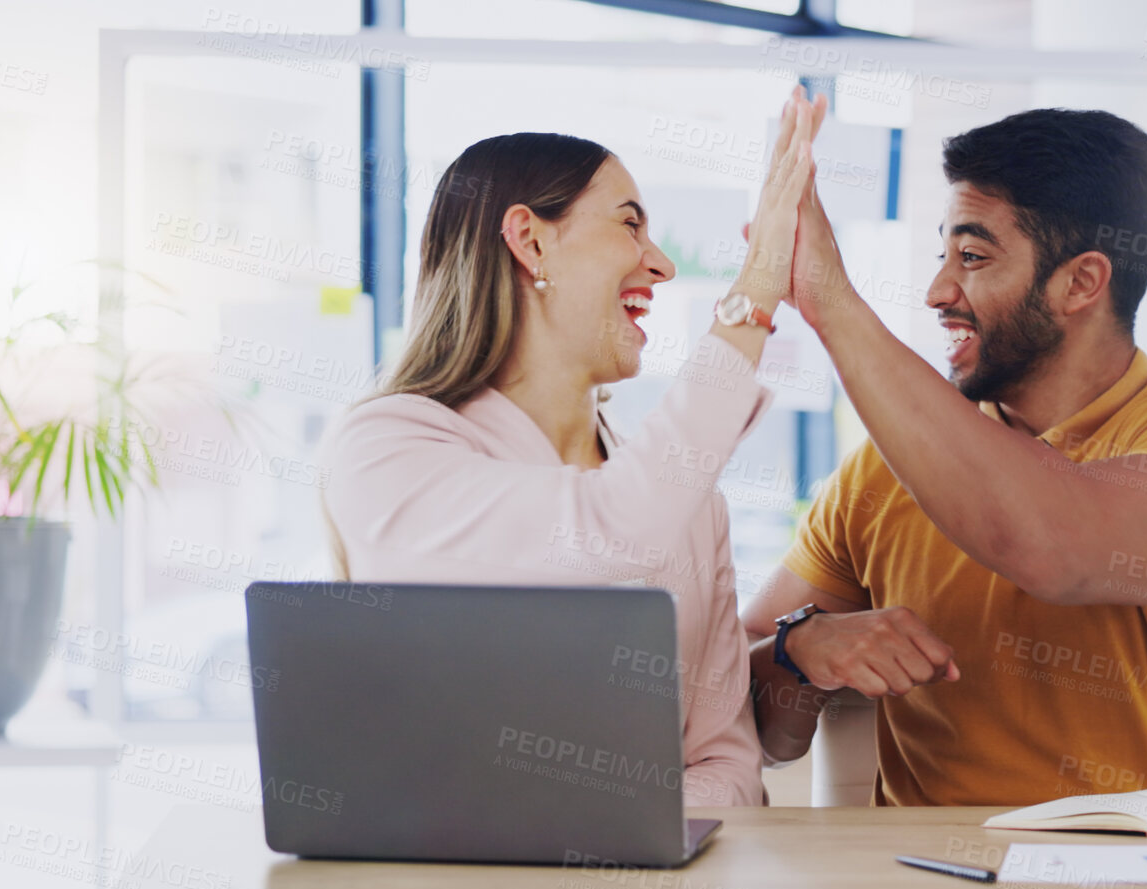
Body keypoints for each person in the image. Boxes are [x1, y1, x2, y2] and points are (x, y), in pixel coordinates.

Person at [744, 107, 1147, 807]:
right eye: (941, 256)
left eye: (971, 259)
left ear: (1080, 283)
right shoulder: (882, 470)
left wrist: (831, 302)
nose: (938, 291)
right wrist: (797, 654)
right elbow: (751, 725)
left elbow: (1056, 549)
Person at [318, 85, 825, 807]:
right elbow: (611, 528)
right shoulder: (387, 448)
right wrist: (758, 284)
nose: (661, 265)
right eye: (629, 224)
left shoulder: (687, 501)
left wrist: (628, 865)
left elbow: (724, 759)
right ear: (529, 240)